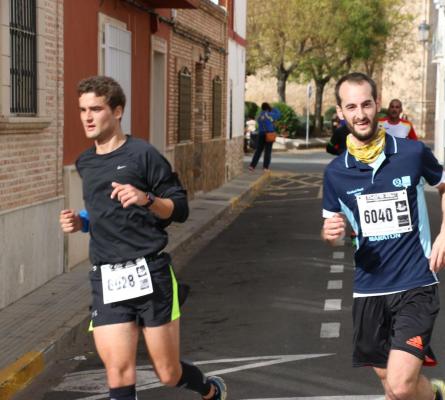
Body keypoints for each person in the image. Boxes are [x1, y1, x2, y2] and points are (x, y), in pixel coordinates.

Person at [59, 76, 227, 400]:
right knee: (118, 373)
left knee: (168, 373)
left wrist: (146, 199)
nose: (87, 117)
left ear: (117, 111)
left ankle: (208, 389)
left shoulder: (143, 155)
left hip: (150, 274)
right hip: (108, 276)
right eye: (82, 110)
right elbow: (106, 216)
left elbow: (179, 209)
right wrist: (80, 223)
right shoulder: (85, 163)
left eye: (96, 108)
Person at [321, 72, 445, 400]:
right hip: (369, 290)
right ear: (340, 112)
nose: (360, 114)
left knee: (398, 385)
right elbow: (332, 231)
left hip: (416, 284)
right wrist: (331, 233)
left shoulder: (410, 153)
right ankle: (434, 396)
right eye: (351, 106)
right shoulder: (335, 173)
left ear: (377, 105)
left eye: (366, 104)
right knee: (391, 382)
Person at [249, 102, 281, 171]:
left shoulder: (259, 116)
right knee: (267, 151)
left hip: (261, 134)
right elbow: (278, 114)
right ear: (267, 107)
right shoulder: (270, 114)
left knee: (258, 151)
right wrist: (273, 108)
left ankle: (252, 166)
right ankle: (265, 167)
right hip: (269, 134)